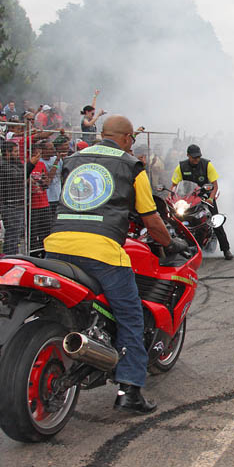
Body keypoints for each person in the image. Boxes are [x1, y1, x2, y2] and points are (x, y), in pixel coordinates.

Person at [44, 114, 183, 414]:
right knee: (131, 316)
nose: (132, 145)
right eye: (131, 140)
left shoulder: (72, 160)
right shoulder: (132, 166)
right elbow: (151, 219)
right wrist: (170, 244)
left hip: (56, 249)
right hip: (102, 252)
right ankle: (130, 390)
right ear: (126, 138)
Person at [170, 143, 233, 260]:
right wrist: (172, 198)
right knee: (173, 220)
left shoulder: (207, 165)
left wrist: (210, 198)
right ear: (188, 155)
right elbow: (174, 186)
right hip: (188, 198)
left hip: (206, 196)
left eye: (198, 157)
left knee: (215, 221)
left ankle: (226, 249)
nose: (196, 159)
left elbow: (215, 185)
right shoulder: (181, 167)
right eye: (194, 157)